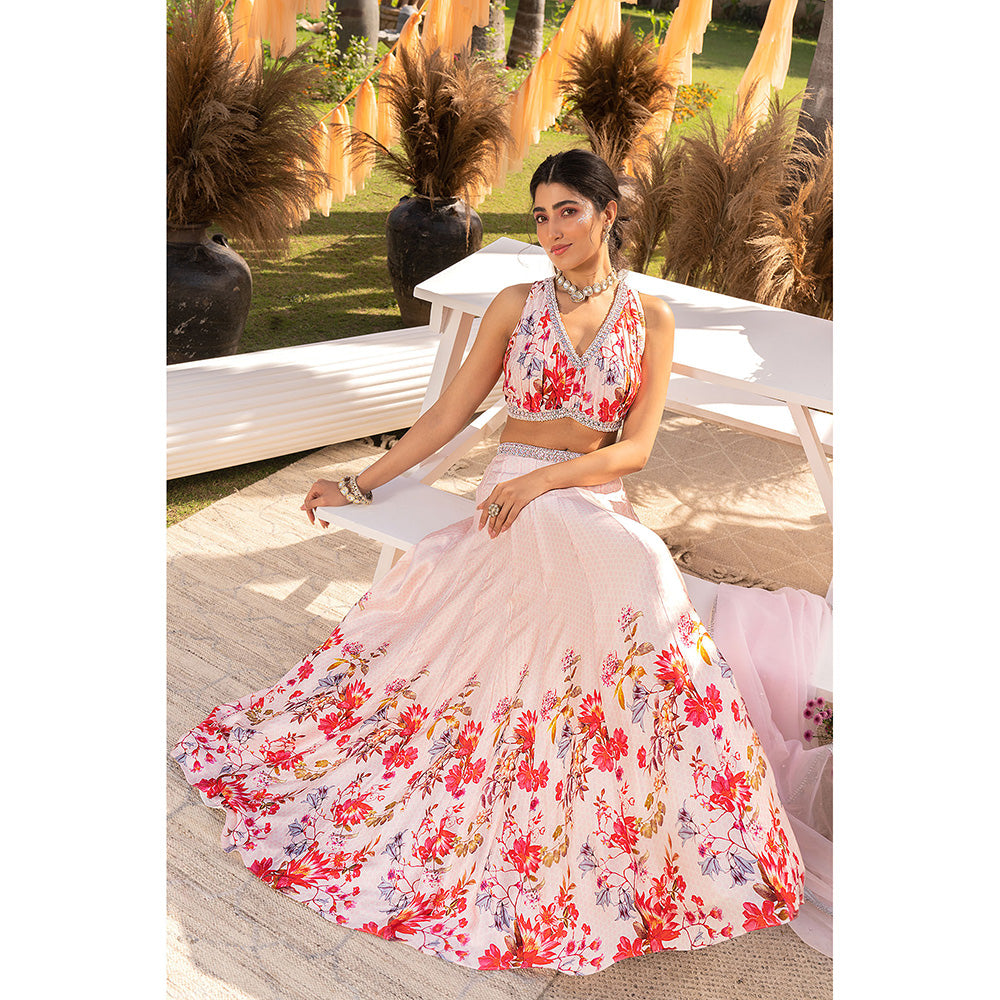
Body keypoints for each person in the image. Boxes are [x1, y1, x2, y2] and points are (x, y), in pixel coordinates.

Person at [173, 149, 805, 974]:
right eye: (540, 215)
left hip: (582, 491)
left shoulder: (649, 318)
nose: (552, 230)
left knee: (645, 570)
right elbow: (449, 414)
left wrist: (549, 480)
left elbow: (637, 449)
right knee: (639, 574)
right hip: (512, 486)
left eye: (568, 211)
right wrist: (360, 483)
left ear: (608, 213)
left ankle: (666, 823)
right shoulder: (518, 304)